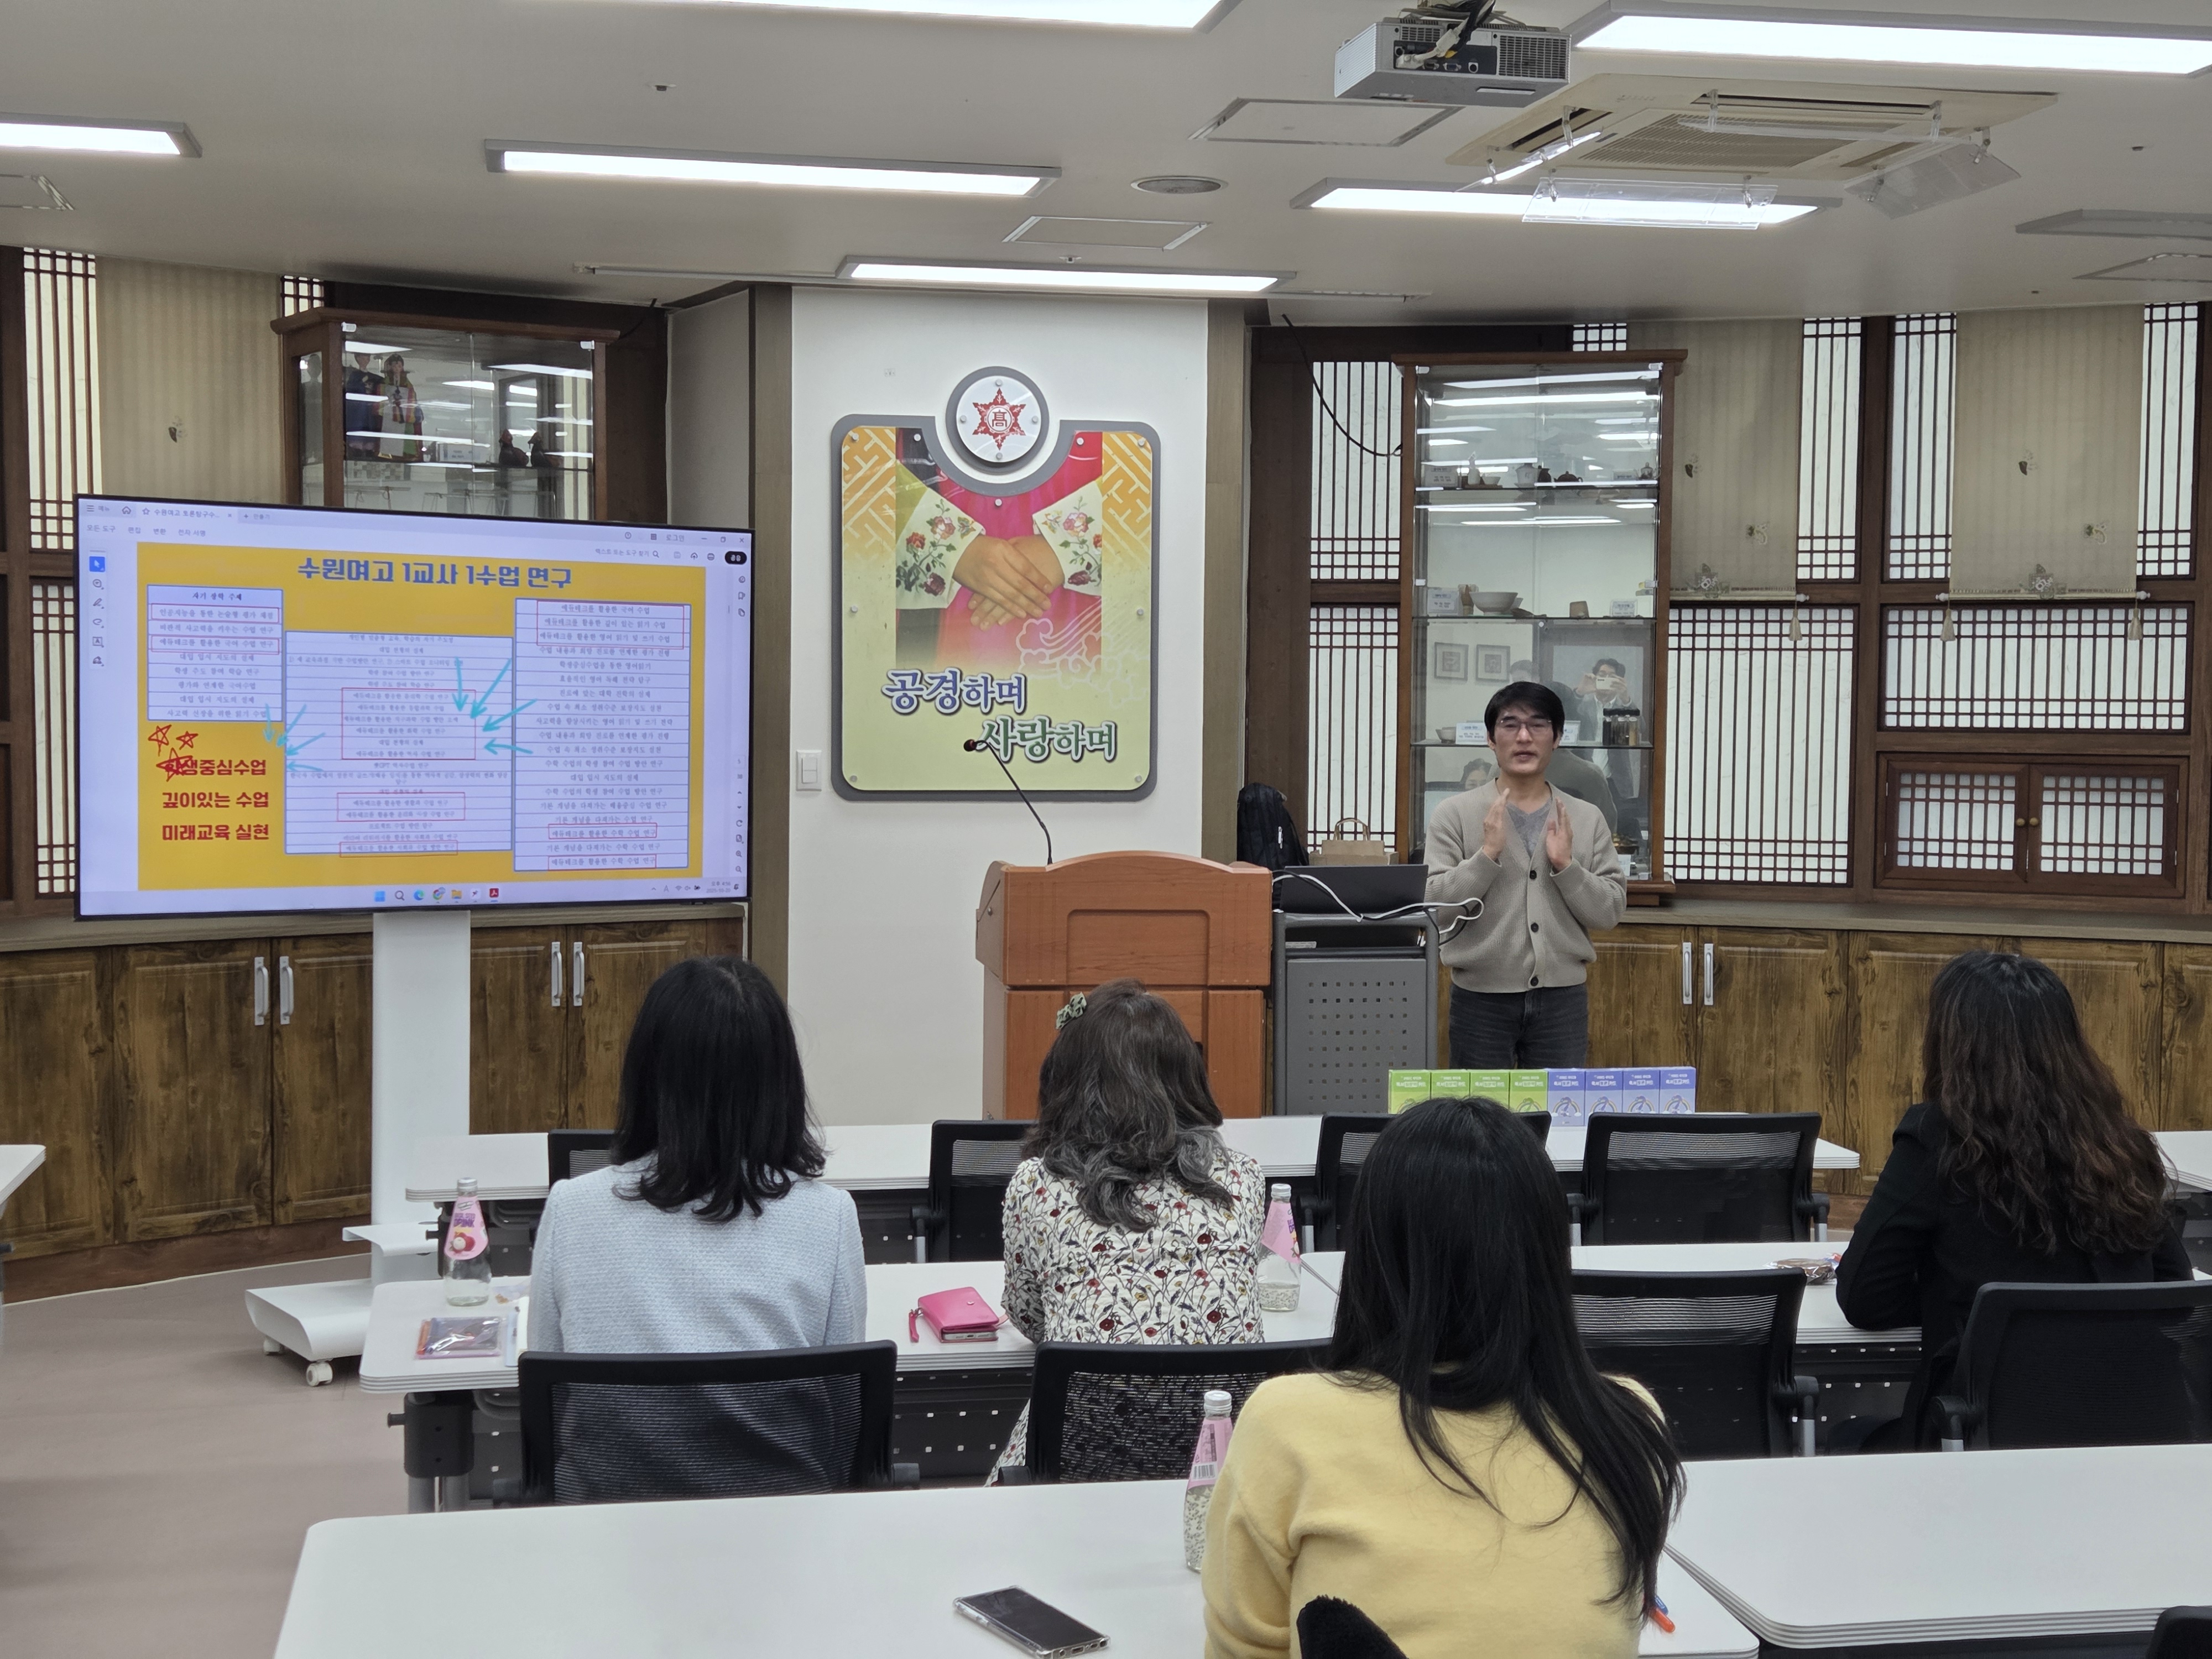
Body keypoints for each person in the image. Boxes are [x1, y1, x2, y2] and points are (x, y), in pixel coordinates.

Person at [1201, 1098, 1682, 1659]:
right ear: (1550, 1251)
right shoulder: (1625, 1419)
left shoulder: (1289, 1423)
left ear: (1372, 1253)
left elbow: (1243, 1648)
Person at [527, 956, 866, 1493]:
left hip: (604, 1531)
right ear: (780, 1077)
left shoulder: (571, 1208)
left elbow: (552, 1394)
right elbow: (843, 1408)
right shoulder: (829, 1217)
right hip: (783, 1535)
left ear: (645, 1072)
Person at [1837, 951, 2190, 1448]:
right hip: (2135, 1434)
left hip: (1981, 1435)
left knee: (1848, 1437)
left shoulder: (1936, 1140)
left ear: (1951, 1043)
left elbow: (1865, 1300)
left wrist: (1958, 1301)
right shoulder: (2122, 1142)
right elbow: (2171, 1288)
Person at [994, 979, 1266, 1475]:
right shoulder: (1243, 1178)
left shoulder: (1036, 1186)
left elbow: (1031, 1319)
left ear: (1069, 1079)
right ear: (1188, 1076)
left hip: (1076, 1469)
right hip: (1221, 1471)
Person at [1423, 681, 1626, 1068]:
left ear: (1557, 738)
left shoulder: (1585, 817)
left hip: (1562, 1002)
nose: (1523, 737)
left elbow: (1610, 912)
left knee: (1557, 1122)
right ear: (1490, 738)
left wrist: (1567, 867)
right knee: (1480, 1122)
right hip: (1480, 999)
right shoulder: (1455, 813)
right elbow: (1436, 908)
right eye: (1510, 724)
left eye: (1537, 725)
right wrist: (1487, 855)